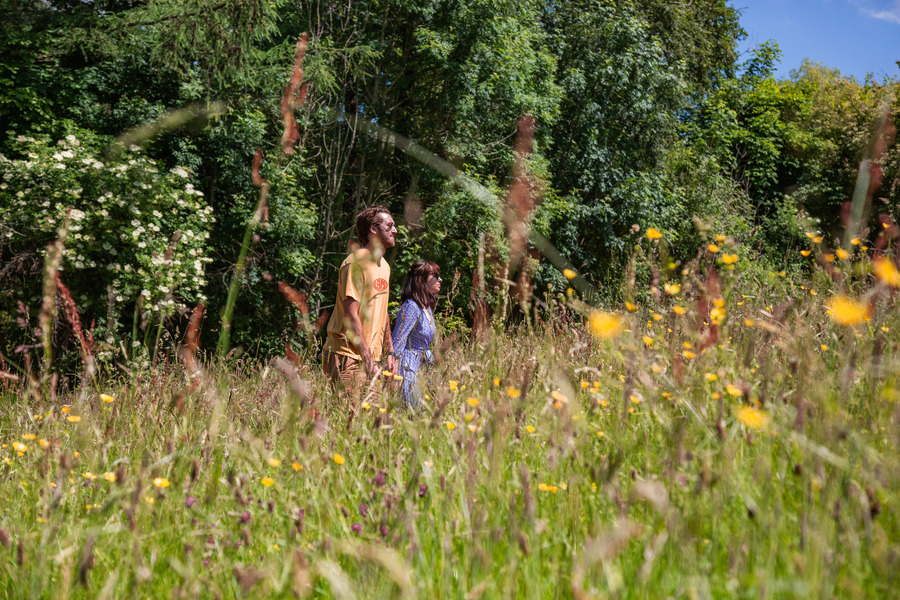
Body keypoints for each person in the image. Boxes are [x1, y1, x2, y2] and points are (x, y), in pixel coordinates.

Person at [322, 206, 398, 389]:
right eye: (389, 226)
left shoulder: (384, 266)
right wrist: (368, 359)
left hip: (370, 357)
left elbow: (383, 312)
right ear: (373, 229)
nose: (395, 231)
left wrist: (390, 352)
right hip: (346, 355)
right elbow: (351, 316)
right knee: (350, 416)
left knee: (372, 415)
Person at [392, 261, 441, 410]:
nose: (440, 279)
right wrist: (394, 377)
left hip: (422, 369)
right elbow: (397, 342)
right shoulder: (411, 306)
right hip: (407, 369)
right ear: (421, 280)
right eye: (435, 276)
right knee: (413, 415)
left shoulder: (426, 307)